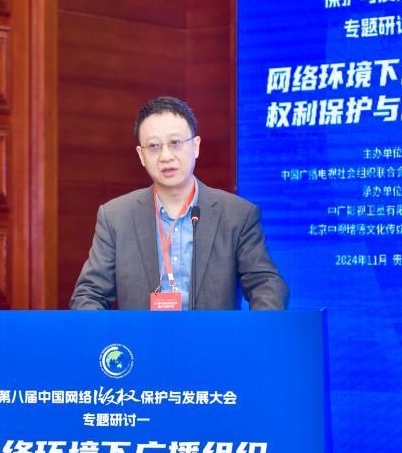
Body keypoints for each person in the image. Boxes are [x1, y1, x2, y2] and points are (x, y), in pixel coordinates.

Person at [69, 96, 288, 311]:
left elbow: (267, 285)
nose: (166, 156)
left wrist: (256, 330)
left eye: (175, 143)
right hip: (142, 336)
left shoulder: (238, 215)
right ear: (141, 155)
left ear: (196, 146)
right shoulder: (115, 217)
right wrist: (109, 332)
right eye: (154, 146)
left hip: (214, 336)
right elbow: (89, 294)